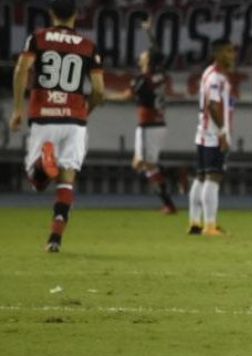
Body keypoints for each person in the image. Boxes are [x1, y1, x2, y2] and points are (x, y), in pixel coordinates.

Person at [8, 0, 104, 252]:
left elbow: (21, 70)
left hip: (44, 115)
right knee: (67, 180)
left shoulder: (37, 39)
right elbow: (98, 90)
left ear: (51, 14)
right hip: (74, 120)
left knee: (36, 181)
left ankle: (43, 165)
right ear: (76, 15)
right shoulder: (87, 46)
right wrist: (86, 110)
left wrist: (18, 107)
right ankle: (55, 238)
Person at [106, 47, 176, 214]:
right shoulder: (160, 76)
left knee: (143, 164)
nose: (139, 58)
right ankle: (168, 204)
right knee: (145, 166)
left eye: (143, 56)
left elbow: (127, 96)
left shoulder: (143, 79)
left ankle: (177, 175)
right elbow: (160, 54)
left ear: (149, 61)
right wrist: (149, 31)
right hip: (158, 125)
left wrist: (104, 96)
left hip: (148, 126)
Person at [188, 38, 236, 237]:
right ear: (218, 54)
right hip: (212, 134)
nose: (232, 55)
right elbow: (213, 105)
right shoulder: (216, 78)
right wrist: (223, 132)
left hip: (203, 132)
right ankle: (209, 225)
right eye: (228, 51)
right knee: (213, 177)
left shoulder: (208, 73)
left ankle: (194, 222)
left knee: (200, 177)